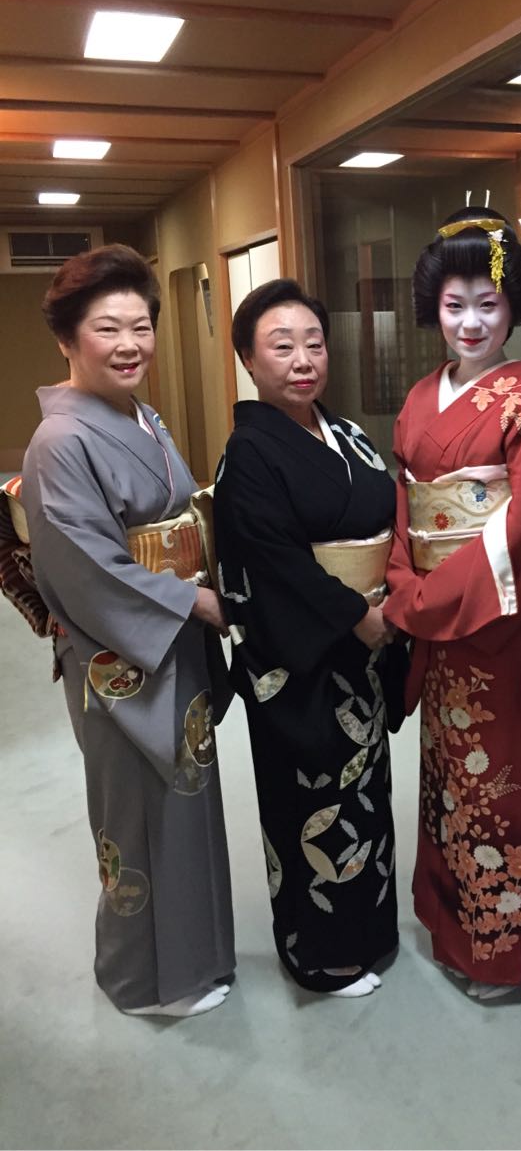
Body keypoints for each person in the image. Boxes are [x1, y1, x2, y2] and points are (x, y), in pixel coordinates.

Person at [20, 244, 235, 1017]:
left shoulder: (142, 416)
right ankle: (142, 981)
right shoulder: (60, 442)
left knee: (185, 798)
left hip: (172, 635)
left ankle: (195, 960)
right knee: (134, 812)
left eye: (140, 327)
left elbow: (182, 515)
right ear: (67, 338)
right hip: (121, 649)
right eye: (107, 328)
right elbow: (85, 568)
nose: (129, 344)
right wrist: (194, 603)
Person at [383, 207, 521, 998]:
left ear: (512, 308)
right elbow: (405, 502)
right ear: (435, 308)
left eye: (487, 306)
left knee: (502, 793)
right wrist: (405, 581)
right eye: (455, 305)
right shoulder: (421, 398)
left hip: (497, 628)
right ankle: (448, 924)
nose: (470, 323)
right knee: (446, 785)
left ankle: (498, 951)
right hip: (438, 625)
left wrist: (428, 598)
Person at [212, 278, 403, 999]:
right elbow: (275, 562)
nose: (302, 361)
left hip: (363, 647)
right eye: (281, 346)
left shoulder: (344, 432)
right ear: (247, 360)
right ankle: (321, 955)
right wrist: (358, 614)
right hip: (304, 660)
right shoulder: (250, 453)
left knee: (367, 794)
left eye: (314, 344)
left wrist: (389, 599)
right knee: (314, 804)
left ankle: (370, 933)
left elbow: (387, 513)